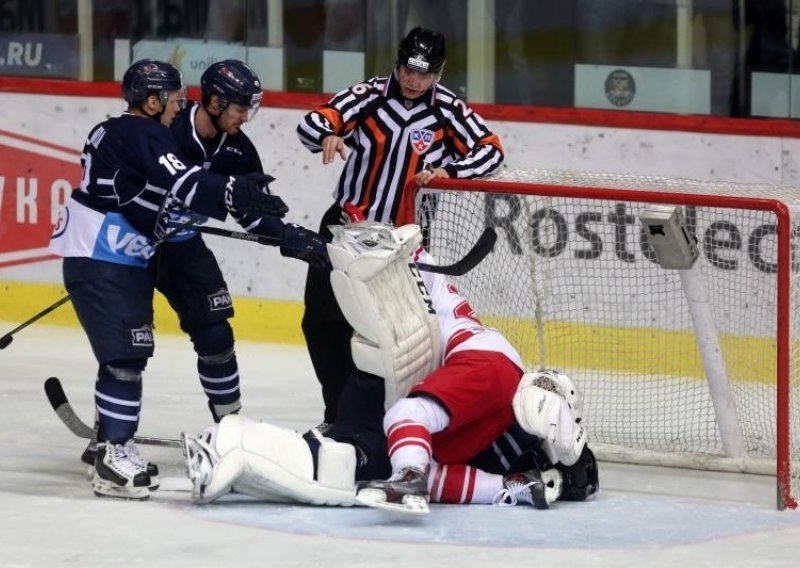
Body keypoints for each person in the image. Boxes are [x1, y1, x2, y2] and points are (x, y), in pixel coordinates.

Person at [181, 220, 598, 513]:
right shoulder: (497, 376)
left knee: (345, 468)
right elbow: (410, 420)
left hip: (416, 380)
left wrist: (502, 491)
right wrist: (383, 250)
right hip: (448, 371)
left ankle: (236, 449)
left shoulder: (511, 459)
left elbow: (436, 478)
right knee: (361, 453)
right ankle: (232, 444)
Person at [48, 59, 289, 501]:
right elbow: (187, 182)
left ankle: (209, 430)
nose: (183, 104)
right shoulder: (143, 133)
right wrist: (228, 192)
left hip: (128, 252)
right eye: (176, 98)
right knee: (127, 351)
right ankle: (113, 447)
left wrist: (288, 236)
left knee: (155, 343)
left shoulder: (139, 130)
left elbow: (181, 195)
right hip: (111, 253)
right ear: (154, 100)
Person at [296, 26, 505, 428]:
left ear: (438, 74)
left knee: (396, 339)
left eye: (423, 74)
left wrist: (451, 170)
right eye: (408, 70)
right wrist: (328, 135)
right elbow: (312, 123)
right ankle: (337, 414)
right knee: (322, 323)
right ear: (398, 63)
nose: (413, 80)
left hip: (401, 244)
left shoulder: (448, 110)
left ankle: (390, 419)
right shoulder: (368, 95)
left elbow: (491, 149)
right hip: (346, 230)